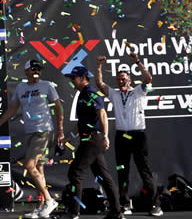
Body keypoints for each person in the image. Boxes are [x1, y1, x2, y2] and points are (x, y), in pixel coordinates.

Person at [0, 59, 63, 218]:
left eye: (38, 69)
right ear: (26, 71)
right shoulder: (21, 87)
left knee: (29, 165)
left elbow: (58, 106)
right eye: (33, 68)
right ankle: (40, 207)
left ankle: (49, 200)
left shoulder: (47, 85)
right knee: (39, 169)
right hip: (30, 132)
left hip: (43, 131)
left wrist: (60, 130)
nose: (36, 71)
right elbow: (13, 109)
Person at [96, 53, 162, 216]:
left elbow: (149, 78)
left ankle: (155, 205)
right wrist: (98, 66)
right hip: (122, 137)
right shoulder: (115, 94)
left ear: (130, 79)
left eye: (123, 79)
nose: (121, 81)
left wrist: (138, 62)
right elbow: (99, 84)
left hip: (137, 135)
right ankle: (125, 203)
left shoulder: (139, 91)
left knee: (144, 170)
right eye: (118, 79)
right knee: (122, 170)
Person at [63, 66, 123, 219]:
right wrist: (70, 137)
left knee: (75, 172)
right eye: (70, 78)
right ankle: (117, 211)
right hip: (88, 138)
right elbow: (82, 121)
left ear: (83, 78)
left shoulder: (90, 92)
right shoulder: (83, 94)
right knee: (103, 175)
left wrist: (105, 135)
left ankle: (73, 212)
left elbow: (102, 113)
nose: (71, 81)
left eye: (73, 78)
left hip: (92, 139)